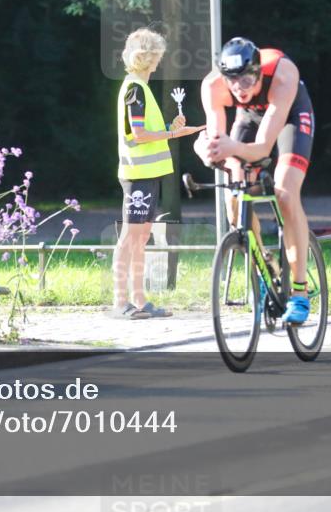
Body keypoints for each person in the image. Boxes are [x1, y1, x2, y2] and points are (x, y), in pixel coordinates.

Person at [194, 37, 315, 324]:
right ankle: (264, 266)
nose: (239, 88)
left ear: (259, 71)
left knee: (285, 192)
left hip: (290, 118)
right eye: (233, 81)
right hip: (249, 119)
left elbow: (261, 149)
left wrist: (229, 148)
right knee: (233, 196)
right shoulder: (213, 87)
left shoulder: (283, 75)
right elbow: (219, 145)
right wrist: (207, 151)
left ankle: (300, 291)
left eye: (247, 80)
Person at [113, 28, 204, 320]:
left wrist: (169, 128)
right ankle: (121, 301)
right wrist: (173, 132)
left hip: (147, 173)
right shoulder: (136, 89)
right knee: (130, 236)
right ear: (149, 57)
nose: (160, 60)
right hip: (138, 174)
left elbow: (141, 131)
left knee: (141, 237)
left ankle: (139, 301)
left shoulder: (138, 87)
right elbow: (138, 135)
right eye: (158, 55)